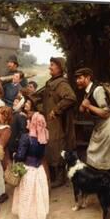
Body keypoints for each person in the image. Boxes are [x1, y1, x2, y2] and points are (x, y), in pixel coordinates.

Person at [75, 67, 110, 184]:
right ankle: (104, 188)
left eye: (80, 78)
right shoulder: (89, 92)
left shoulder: (97, 90)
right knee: (97, 158)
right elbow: (83, 108)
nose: (77, 81)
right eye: (76, 78)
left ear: (88, 78)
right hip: (102, 127)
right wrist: (84, 107)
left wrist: (89, 106)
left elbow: (106, 112)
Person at [11, 111, 50, 219]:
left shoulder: (26, 137)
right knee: (34, 200)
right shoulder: (44, 136)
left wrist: (15, 155)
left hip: (27, 171)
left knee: (26, 200)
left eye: (29, 120)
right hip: (38, 171)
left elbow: (21, 156)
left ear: (32, 123)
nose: (27, 123)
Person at [39, 57, 77, 188]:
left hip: (58, 122)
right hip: (49, 121)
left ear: (60, 68)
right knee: (50, 146)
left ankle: (60, 177)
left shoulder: (61, 84)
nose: (50, 67)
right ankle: (53, 175)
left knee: (57, 146)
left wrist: (56, 110)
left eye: (52, 65)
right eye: (50, 65)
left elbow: (71, 98)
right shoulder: (51, 82)